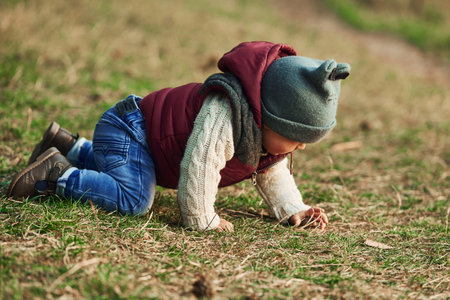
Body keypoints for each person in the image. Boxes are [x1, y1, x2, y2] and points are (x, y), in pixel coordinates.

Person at [7, 41, 350, 232]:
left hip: (142, 143)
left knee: (131, 171)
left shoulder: (262, 134)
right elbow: (199, 166)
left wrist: (294, 209)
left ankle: (69, 146)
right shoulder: (225, 116)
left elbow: (273, 173)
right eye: (295, 137)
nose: (301, 147)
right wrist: (202, 219)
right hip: (130, 130)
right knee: (134, 199)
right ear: (269, 119)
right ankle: (55, 176)